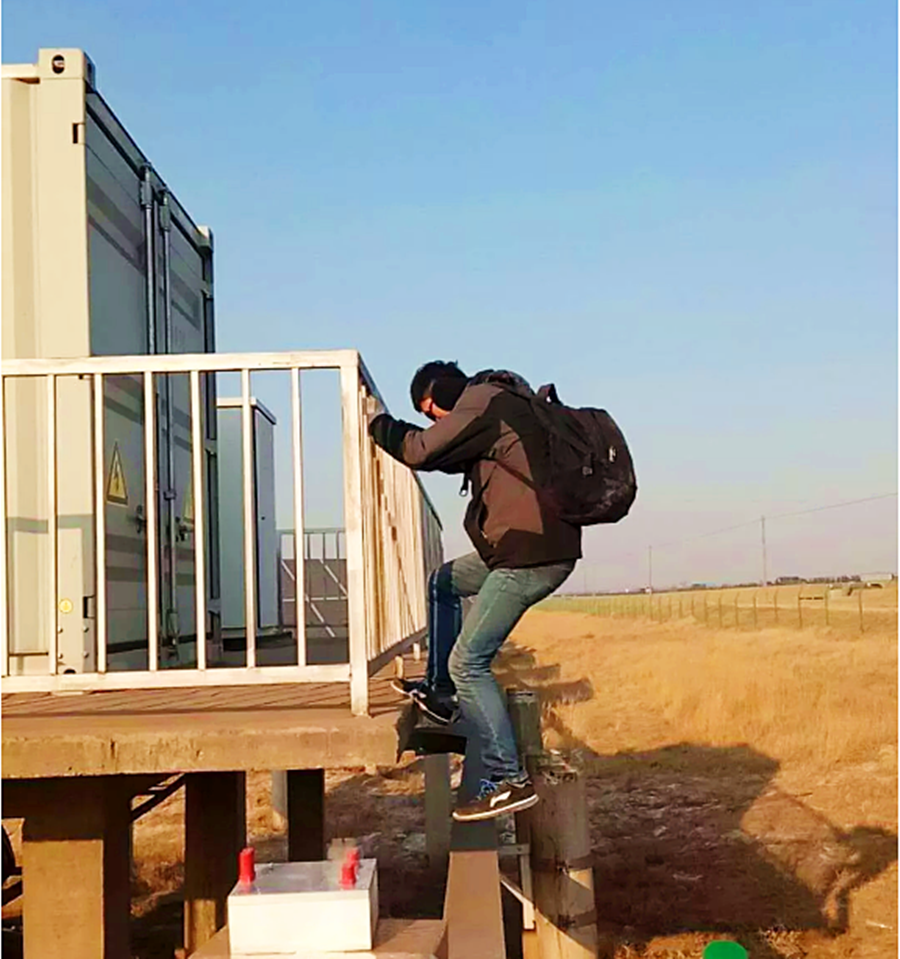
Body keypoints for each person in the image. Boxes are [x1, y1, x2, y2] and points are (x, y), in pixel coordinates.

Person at [368, 361, 581, 822]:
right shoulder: (499, 407)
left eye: (431, 410)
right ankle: (440, 693)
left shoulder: (483, 400)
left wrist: (376, 423)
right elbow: (441, 455)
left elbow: (420, 450)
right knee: (444, 582)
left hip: (530, 554)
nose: (435, 421)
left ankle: (508, 779)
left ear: (443, 390)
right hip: (521, 548)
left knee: (468, 661)